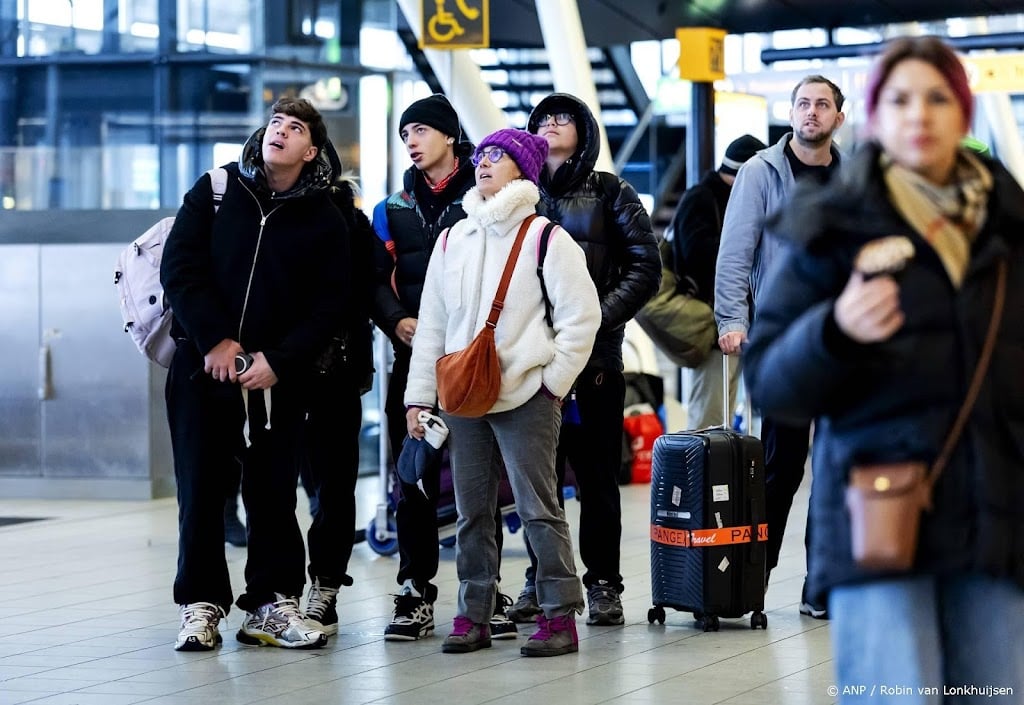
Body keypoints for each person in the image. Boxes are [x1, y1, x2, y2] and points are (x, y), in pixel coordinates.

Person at [743, 36, 1024, 702]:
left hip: (997, 520)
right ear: (874, 116)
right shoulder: (834, 226)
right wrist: (836, 330)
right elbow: (770, 379)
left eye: (937, 98)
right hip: (883, 522)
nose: (919, 114)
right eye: (900, 99)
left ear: (963, 113)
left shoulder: (1010, 232)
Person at [404, 127, 600, 656]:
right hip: (463, 397)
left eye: (499, 155)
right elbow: (432, 326)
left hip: (526, 397)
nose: (485, 162)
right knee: (471, 512)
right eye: (483, 154)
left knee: (539, 509)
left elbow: (582, 320)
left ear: (523, 170)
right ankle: (474, 613)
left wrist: (550, 385)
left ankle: (559, 615)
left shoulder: (545, 237)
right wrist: (419, 397)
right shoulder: (453, 238)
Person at [161, 97, 348, 651]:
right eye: (275, 124)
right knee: (199, 489)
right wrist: (214, 340)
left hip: (275, 379)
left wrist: (278, 361)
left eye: (294, 129)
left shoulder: (324, 216)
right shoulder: (216, 189)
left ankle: (269, 603)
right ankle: (201, 604)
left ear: (310, 150)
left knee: (272, 493)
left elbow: (330, 303)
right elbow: (180, 266)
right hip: (201, 371)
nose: (281, 133)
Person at [505, 93, 660, 626]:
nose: (551, 124)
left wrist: (593, 320)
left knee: (596, 480)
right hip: (530, 365)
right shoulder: (516, 195)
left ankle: (603, 584)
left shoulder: (612, 191)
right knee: (536, 482)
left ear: (585, 130)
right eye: (542, 118)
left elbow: (646, 268)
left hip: (595, 361)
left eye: (562, 117)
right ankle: (540, 578)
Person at [371, 94, 515, 641]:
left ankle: (488, 590)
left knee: (482, 483)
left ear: (450, 136)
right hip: (414, 366)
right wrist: (396, 321)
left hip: (477, 364)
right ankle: (414, 590)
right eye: (405, 131)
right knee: (412, 479)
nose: (411, 140)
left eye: (422, 130)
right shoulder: (392, 208)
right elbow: (373, 277)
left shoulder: (484, 195)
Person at [714, 75, 845, 619]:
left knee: (837, 470)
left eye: (822, 105)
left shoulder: (856, 176)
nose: (811, 112)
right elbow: (736, 251)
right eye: (803, 104)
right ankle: (752, 580)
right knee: (780, 466)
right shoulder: (760, 171)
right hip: (785, 340)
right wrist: (731, 318)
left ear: (839, 116)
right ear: (790, 113)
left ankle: (822, 587)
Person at [298, 167, 378, 638]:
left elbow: (366, 284)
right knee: (273, 484)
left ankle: (324, 586)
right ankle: (277, 592)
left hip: (336, 367)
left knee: (334, 483)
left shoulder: (347, 216)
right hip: (274, 366)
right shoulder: (261, 206)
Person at [666, 134, 766, 430]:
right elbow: (701, 258)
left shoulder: (723, 198)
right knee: (709, 418)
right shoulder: (703, 199)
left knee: (723, 412)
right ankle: (701, 476)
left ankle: (725, 475)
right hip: (711, 323)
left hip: (733, 322)